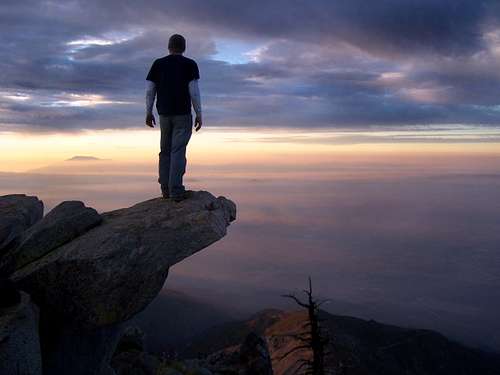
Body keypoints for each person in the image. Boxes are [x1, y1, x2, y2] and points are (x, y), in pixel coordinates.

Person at [145, 34, 202, 202]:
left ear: (169, 47)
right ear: (183, 47)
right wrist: (198, 113)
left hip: (164, 114)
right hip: (183, 114)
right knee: (177, 151)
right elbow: (194, 91)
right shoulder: (190, 64)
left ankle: (165, 189)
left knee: (165, 151)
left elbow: (150, 90)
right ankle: (176, 190)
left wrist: (148, 112)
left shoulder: (158, 64)